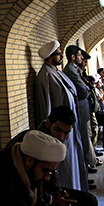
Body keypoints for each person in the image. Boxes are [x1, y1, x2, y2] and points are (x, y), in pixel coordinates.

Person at [7, 106, 98, 206]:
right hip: (34, 200)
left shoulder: (54, 145)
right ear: (48, 123)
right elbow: (29, 190)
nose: (61, 137)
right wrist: (50, 203)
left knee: (89, 202)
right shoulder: (31, 145)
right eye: (58, 130)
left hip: (43, 195)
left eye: (66, 133)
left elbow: (50, 177)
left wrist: (59, 194)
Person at [34, 40, 88, 191]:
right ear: (50, 57)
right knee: (66, 169)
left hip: (68, 130)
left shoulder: (56, 72)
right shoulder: (45, 75)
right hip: (59, 133)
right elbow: (46, 107)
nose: (61, 57)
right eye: (58, 54)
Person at [63, 45, 98, 174]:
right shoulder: (70, 70)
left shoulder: (75, 69)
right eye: (79, 55)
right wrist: (87, 88)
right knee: (83, 139)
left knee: (86, 137)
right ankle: (84, 169)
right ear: (73, 57)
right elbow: (83, 91)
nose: (82, 57)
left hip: (84, 109)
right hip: (80, 109)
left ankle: (86, 166)